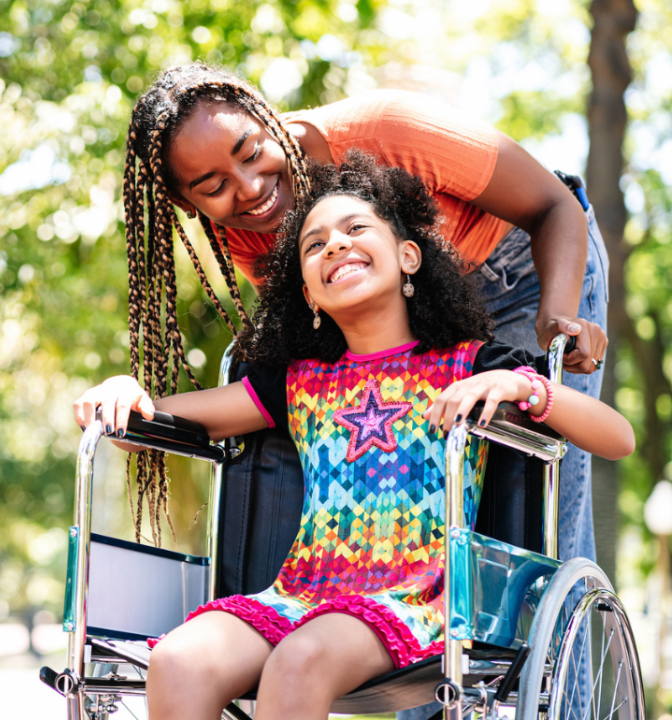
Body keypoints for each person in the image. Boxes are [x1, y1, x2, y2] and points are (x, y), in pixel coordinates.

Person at [78, 155, 632, 720]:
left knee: (299, 660)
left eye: (355, 229)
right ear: (309, 294)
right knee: (179, 660)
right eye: (314, 246)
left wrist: (525, 386)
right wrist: (127, 393)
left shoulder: (473, 365)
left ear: (408, 256)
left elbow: (618, 438)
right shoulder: (297, 382)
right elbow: (165, 420)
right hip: (301, 593)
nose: (335, 246)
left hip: (420, 597)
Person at [122, 62, 608, 573]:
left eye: (250, 152)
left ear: (266, 118)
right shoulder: (244, 228)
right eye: (213, 185)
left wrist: (556, 316)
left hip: (523, 269)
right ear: (186, 201)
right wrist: (142, 404)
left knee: (536, 505)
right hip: (406, 310)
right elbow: (325, 334)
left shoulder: (385, 128)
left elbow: (554, 206)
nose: (248, 188)